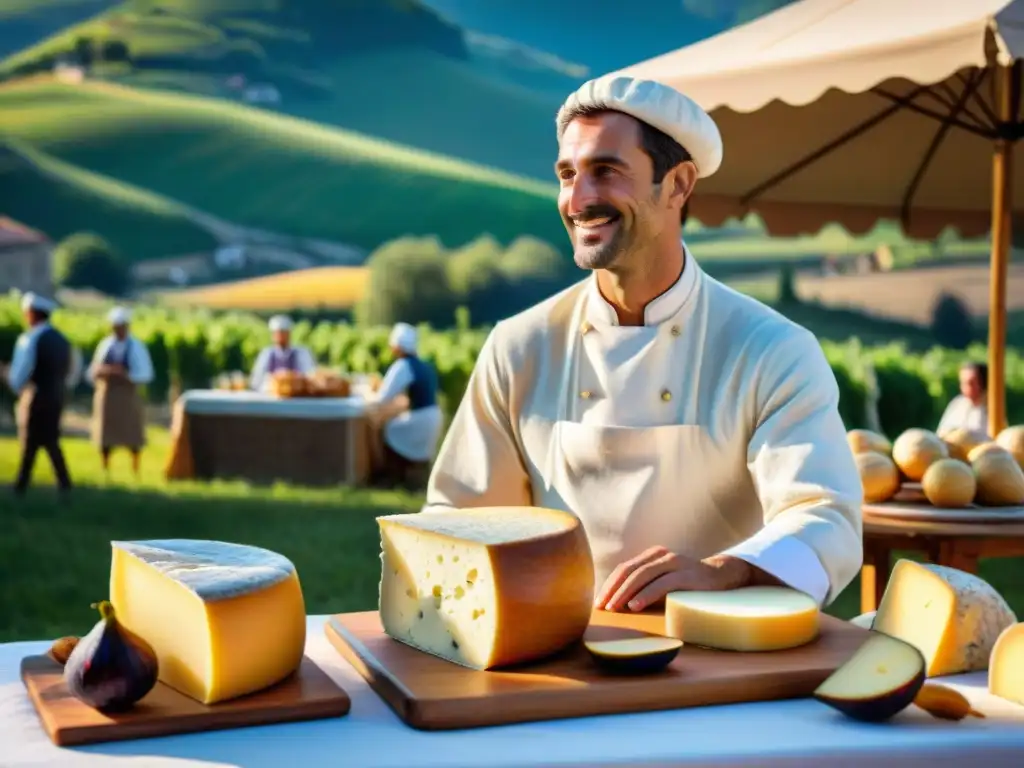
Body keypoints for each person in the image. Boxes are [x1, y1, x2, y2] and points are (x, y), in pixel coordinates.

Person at [422, 74, 863, 613]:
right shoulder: (518, 347)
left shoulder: (772, 350)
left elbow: (826, 519)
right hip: (550, 661)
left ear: (677, 185)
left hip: (719, 663)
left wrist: (723, 571)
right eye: (567, 174)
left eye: (605, 171)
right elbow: (460, 521)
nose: (578, 199)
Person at [4, 292, 77, 497]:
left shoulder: (29, 339)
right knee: (50, 440)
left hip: (35, 395)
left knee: (30, 440)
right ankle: (62, 483)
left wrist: (10, 379)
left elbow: (20, 373)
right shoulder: (62, 340)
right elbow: (72, 370)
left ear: (32, 314)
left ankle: (22, 485)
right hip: (57, 395)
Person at [366, 322, 444, 487]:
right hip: (434, 418)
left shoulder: (403, 366)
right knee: (396, 426)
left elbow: (383, 398)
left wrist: (366, 396)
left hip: (419, 420)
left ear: (397, 347)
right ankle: (413, 476)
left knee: (384, 428)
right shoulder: (425, 365)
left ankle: (391, 475)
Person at [87, 306, 155, 476]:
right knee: (106, 436)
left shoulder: (136, 347)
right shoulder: (105, 345)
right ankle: (105, 466)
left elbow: (146, 373)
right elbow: (92, 371)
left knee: (132, 434)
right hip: (107, 396)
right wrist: (104, 372)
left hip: (127, 396)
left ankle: (135, 467)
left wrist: (125, 375)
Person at [249, 315, 316, 392]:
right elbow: (256, 380)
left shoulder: (301, 353)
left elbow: (310, 377)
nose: (279, 336)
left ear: (289, 334)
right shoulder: (266, 354)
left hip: (296, 397)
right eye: (276, 333)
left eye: (283, 332)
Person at [937, 361, 989, 438]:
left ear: (983, 383)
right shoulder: (957, 403)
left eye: (970, 383)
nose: (964, 387)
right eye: (962, 382)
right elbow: (941, 432)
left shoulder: (992, 408)